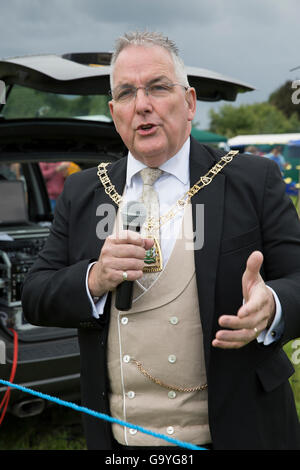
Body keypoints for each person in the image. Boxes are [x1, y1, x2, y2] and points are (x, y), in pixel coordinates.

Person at [22, 31, 300, 451]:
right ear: (114, 112)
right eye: (127, 93)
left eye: (157, 87)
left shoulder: (251, 180)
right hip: (121, 442)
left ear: (189, 103)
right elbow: (36, 295)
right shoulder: (83, 192)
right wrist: (95, 279)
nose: (143, 105)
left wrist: (271, 307)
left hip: (239, 429)